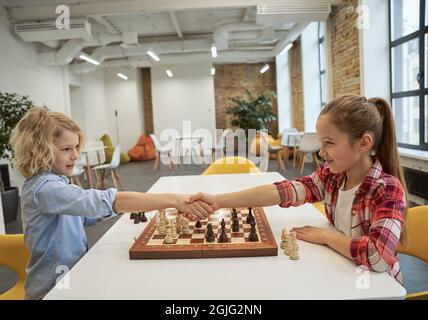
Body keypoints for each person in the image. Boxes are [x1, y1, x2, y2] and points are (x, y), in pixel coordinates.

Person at [188, 95, 407, 284]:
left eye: (329, 143)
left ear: (364, 143)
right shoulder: (332, 176)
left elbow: (377, 256)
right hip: (342, 272)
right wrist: (218, 201)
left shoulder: (387, 189)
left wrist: (324, 236)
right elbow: (282, 191)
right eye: (321, 142)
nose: (321, 152)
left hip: (377, 287)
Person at [9, 107, 212, 300]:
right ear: (40, 151)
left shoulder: (56, 182)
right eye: (66, 149)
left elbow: (86, 214)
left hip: (73, 275)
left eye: (76, 147)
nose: (75, 155)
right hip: (52, 289)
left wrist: (132, 208)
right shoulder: (46, 189)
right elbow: (106, 201)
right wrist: (174, 200)